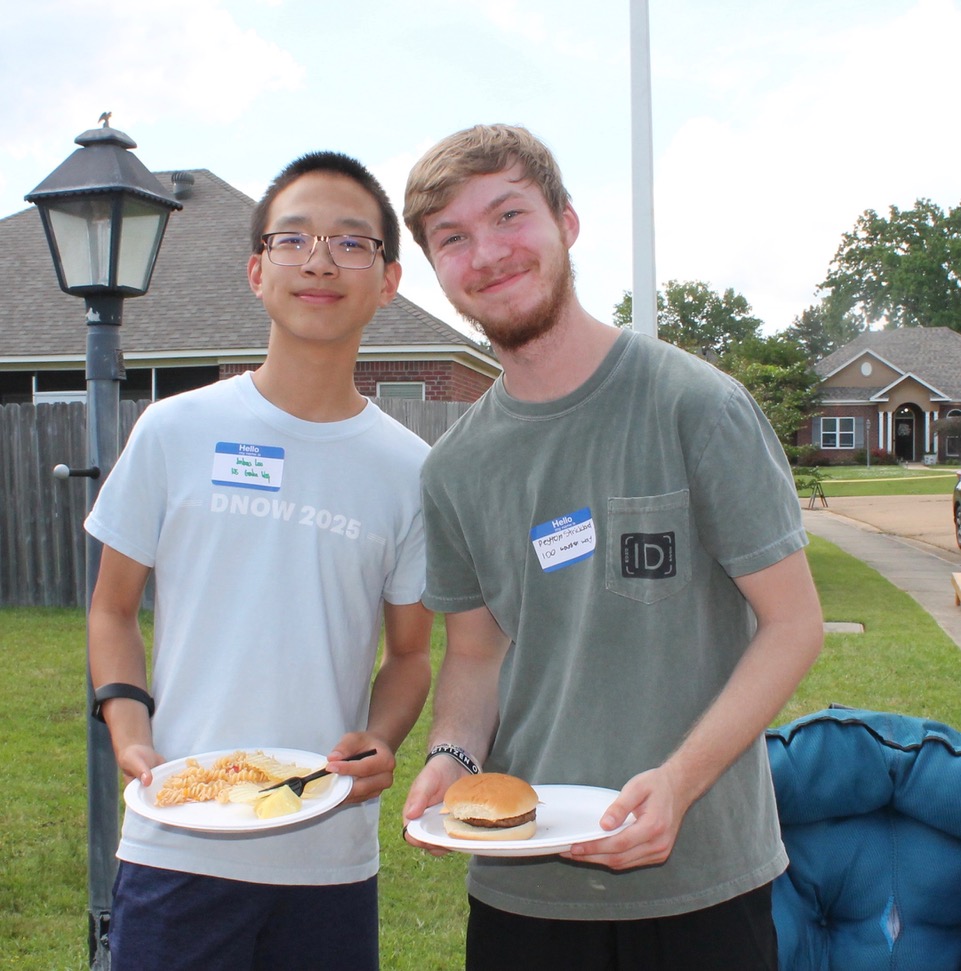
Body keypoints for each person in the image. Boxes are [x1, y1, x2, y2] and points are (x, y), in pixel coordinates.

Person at [401, 124, 823, 971]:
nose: (486, 253)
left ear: (566, 221)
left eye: (508, 215)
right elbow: (477, 658)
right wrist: (452, 754)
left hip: (700, 876)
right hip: (526, 885)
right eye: (452, 238)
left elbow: (793, 625)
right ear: (436, 269)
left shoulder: (694, 405)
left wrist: (679, 780)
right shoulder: (452, 468)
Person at [85, 150, 433, 971]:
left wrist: (381, 737)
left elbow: (412, 654)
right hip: (178, 840)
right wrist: (130, 733)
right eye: (293, 239)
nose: (319, 260)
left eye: (352, 243)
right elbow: (110, 607)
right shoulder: (174, 431)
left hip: (329, 857)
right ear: (255, 269)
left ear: (387, 281)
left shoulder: (410, 469)